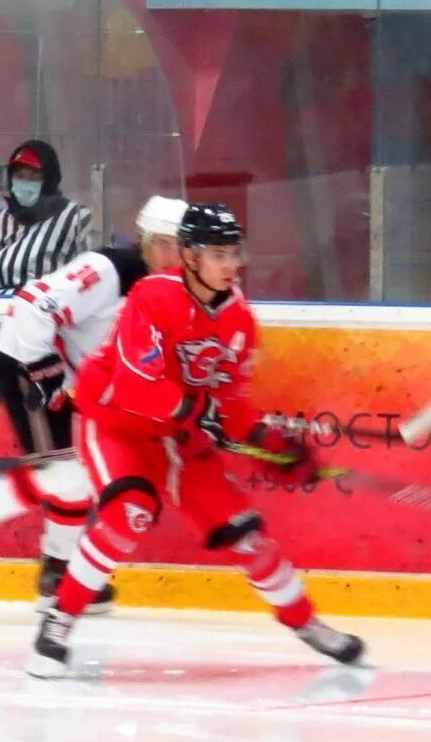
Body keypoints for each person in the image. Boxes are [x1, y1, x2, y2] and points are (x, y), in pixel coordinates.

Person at [29, 203, 365, 679]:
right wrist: (195, 410)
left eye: (235, 254)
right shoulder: (151, 296)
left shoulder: (240, 321)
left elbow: (229, 405)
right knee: (129, 515)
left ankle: (307, 624)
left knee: (248, 538)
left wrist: (274, 445)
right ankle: (59, 621)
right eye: (219, 255)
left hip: (177, 437)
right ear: (188, 256)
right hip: (116, 423)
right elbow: (133, 383)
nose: (232, 266)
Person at [0, 194, 186, 603]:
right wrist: (48, 371)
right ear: (145, 241)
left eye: (181, 245)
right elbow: (34, 305)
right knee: (71, 473)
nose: (174, 256)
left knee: (78, 476)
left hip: (62, 372)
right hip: (27, 361)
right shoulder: (109, 269)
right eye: (165, 244)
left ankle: (56, 575)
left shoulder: (164, 291)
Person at [0, 139, 93, 296]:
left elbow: (89, 278)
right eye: (19, 176)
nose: (25, 183)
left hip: (47, 313)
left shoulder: (76, 218)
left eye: (35, 178)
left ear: (49, 179)